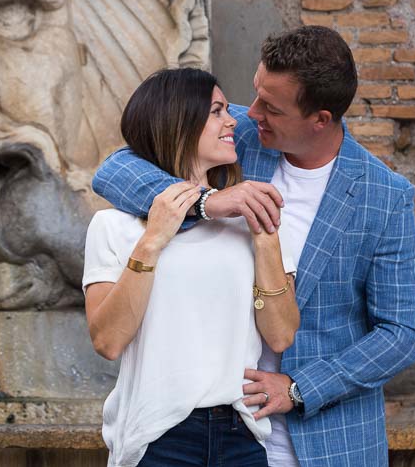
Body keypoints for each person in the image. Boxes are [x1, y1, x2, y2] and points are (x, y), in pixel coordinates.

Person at [92, 26, 415, 466]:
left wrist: (298, 388)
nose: (250, 113)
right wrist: (208, 202)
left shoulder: (383, 196)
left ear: (319, 119)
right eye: (255, 94)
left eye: (270, 106)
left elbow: (401, 335)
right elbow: (116, 169)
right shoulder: (237, 137)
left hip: (328, 441)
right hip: (214, 433)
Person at [83, 67, 300, 467]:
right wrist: (153, 242)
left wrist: (265, 237)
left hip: (241, 437)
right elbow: (109, 342)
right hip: (157, 439)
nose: (232, 120)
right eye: (216, 111)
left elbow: (281, 334)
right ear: (177, 123)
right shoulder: (113, 227)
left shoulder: (246, 222)